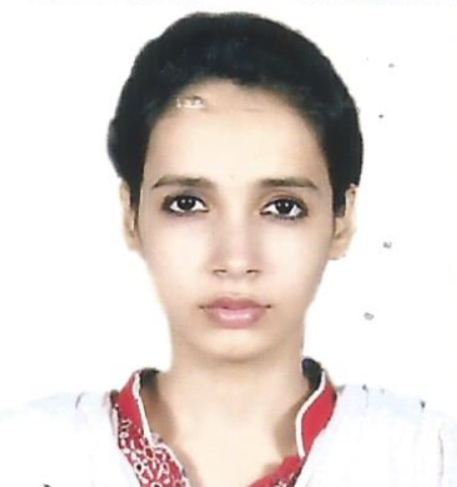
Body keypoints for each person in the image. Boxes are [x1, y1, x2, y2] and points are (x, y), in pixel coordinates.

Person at [0, 10, 456, 487]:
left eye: (282, 207)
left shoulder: (429, 460)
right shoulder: (26, 460)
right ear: (131, 216)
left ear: (342, 220)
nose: (236, 259)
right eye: (187, 203)